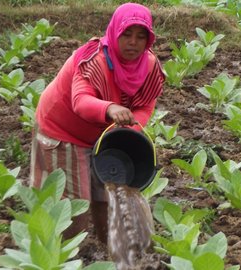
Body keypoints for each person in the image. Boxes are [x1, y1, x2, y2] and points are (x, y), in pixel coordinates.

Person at [29, 2, 164, 244]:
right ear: (114, 33)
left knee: (107, 196)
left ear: (149, 40)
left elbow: (145, 104)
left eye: (141, 36)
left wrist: (130, 129)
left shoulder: (149, 66)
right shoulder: (94, 61)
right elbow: (81, 101)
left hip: (103, 135)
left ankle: (108, 249)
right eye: (126, 35)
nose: (133, 42)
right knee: (74, 206)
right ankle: (61, 255)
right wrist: (110, 108)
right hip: (63, 131)